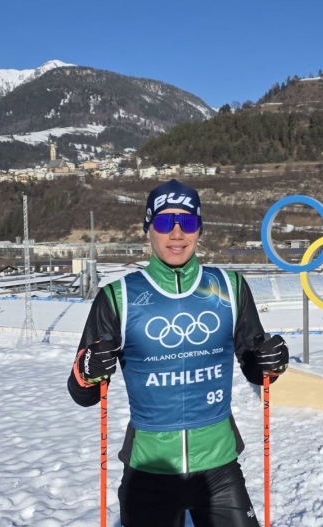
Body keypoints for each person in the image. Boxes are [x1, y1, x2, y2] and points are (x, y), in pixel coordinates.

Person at [68, 179, 289, 527]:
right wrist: (88, 369)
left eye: (187, 222)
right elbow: (83, 393)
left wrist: (271, 361)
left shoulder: (229, 287)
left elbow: (256, 367)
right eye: (164, 222)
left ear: (199, 229)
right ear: (148, 228)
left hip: (219, 468)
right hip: (149, 471)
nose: (176, 233)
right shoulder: (118, 297)